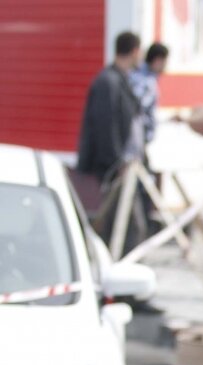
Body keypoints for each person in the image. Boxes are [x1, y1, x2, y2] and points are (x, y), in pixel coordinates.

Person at [76, 31, 146, 255]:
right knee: (123, 226)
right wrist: (116, 164)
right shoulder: (107, 82)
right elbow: (105, 127)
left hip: (126, 168)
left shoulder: (122, 79)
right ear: (134, 51)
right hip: (114, 170)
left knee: (124, 225)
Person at [129, 42, 169, 146]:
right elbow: (138, 110)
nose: (166, 66)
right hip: (136, 138)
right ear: (158, 60)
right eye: (165, 61)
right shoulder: (146, 82)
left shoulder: (140, 75)